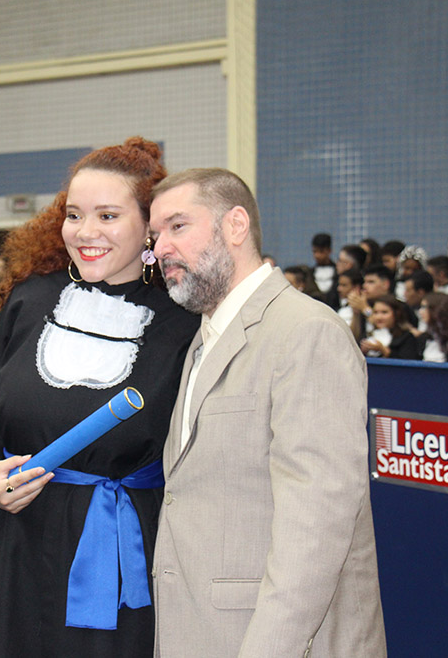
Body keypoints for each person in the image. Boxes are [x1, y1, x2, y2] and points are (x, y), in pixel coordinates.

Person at [0, 138, 198, 657]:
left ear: (149, 225)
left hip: (118, 554)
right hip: (13, 541)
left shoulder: (184, 322)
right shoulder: (28, 298)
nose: (86, 232)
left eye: (108, 215)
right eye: (74, 215)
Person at [149, 168, 386, 656]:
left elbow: (316, 527)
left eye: (178, 226)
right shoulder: (203, 339)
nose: (160, 249)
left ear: (236, 225)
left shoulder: (306, 331)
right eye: (155, 235)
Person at [360, 295, 419, 359]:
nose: (379, 317)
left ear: (396, 313)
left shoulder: (407, 338)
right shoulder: (368, 335)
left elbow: (406, 361)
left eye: (384, 312)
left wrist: (383, 350)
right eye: (375, 312)